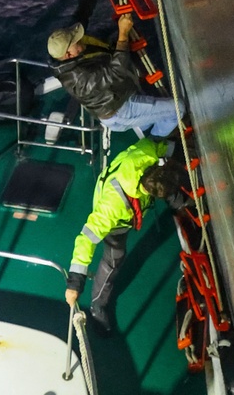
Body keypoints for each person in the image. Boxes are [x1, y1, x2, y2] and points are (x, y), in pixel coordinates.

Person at [47, 0, 182, 137]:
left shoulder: (68, 51)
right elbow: (116, 71)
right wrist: (123, 34)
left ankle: (148, 127)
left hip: (120, 94)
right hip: (120, 112)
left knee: (148, 117)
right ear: (69, 54)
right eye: (76, 41)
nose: (80, 38)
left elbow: (84, 9)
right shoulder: (79, 79)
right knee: (178, 108)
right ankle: (156, 141)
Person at [64, 138, 187, 334]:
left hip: (136, 195)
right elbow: (86, 238)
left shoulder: (148, 153)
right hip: (117, 223)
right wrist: (75, 282)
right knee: (114, 259)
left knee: (177, 199)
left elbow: (162, 147)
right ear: (148, 191)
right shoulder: (113, 206)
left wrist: (182, 150)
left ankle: (179, 202)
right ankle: (98, 306)